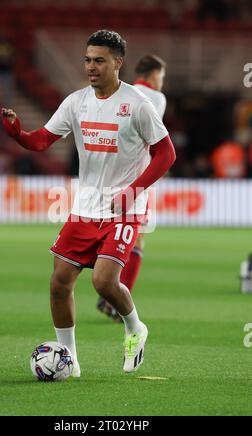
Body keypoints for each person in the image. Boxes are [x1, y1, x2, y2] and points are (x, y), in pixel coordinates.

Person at [2, 30, 176, 377]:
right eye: (87, 60)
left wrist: (133, 191)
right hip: (85, 208)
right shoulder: (76, 102)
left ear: (118, 63)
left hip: (124, 208)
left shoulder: (137, 105)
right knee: (59, 283)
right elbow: (42, 141)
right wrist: (18, 133)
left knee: (103, 281)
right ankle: (69, 359)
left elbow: (165, 154)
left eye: (99, 60)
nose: (91, 67)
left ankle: (134, 328)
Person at [97, 54, 169, 321]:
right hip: (135, 176)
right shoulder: (155, 97)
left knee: (105, 232)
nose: (161, 82)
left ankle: (109, 293)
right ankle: (115, 299)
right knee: (136, 238)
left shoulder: (120, 92)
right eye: (161, 77)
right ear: (152, 76)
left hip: (105, 173)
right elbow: (152, 139)